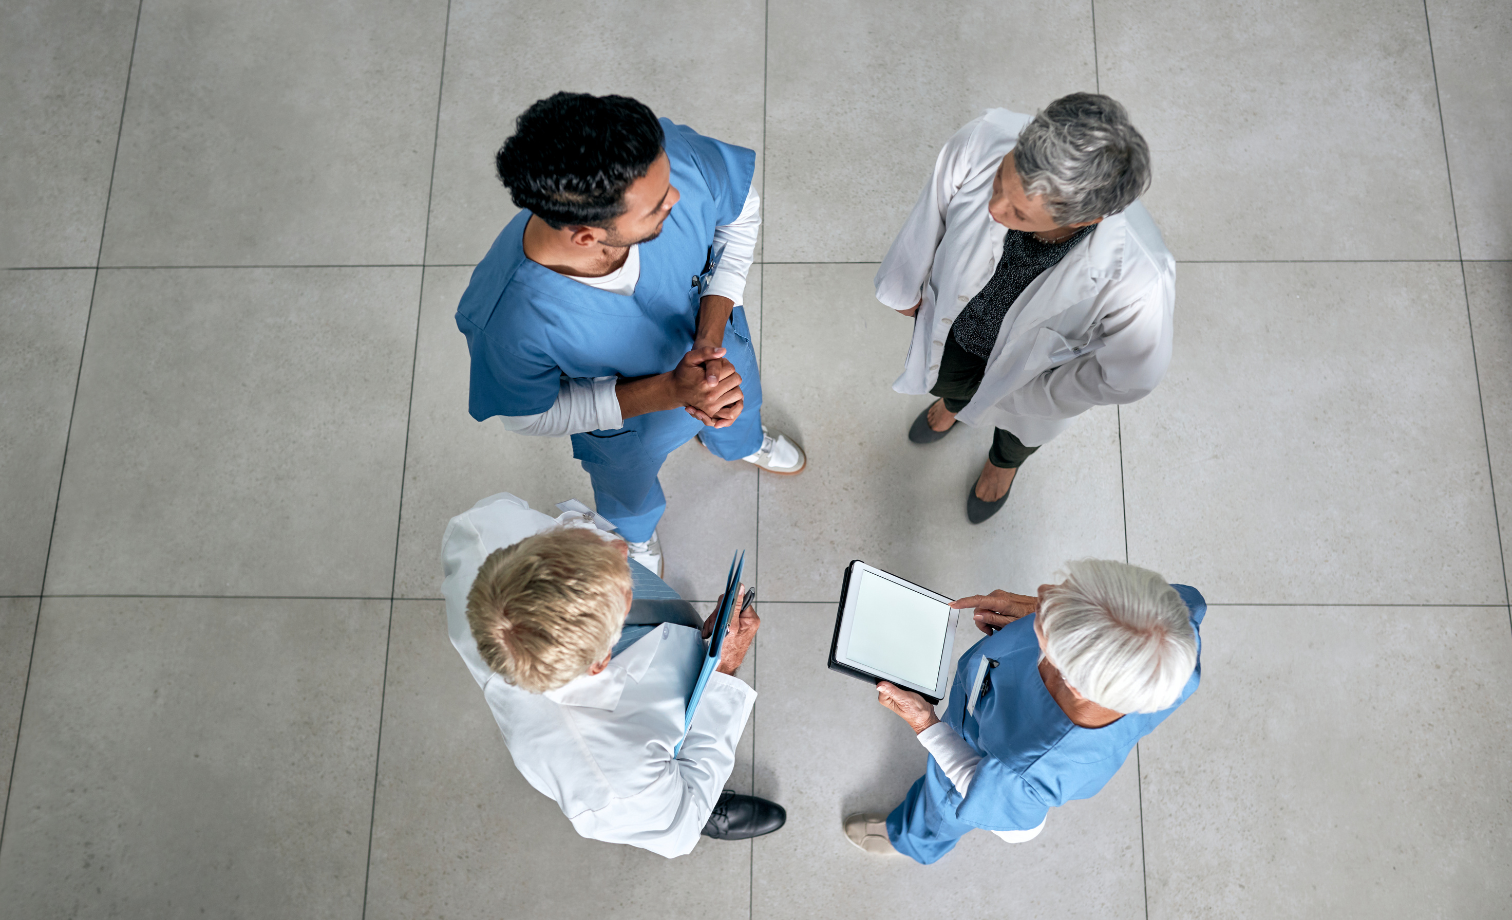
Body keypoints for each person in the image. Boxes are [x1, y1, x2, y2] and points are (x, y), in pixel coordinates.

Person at [457, 92, 806, 576]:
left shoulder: (659, 158)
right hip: (627, 428)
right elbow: (531, 417)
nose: (676, 198)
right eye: (658, 208)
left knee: (738, 407)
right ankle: (637, 536)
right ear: (587, 236)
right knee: (627, 491)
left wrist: (709, 339)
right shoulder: (507, 319)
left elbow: (739, 213)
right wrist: (669, 391)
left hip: (721, 345)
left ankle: (740, 443)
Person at [875, 93, 1173, 523]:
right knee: (948, 380)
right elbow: (932, 208)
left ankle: (1003, 463)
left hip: (1034, 377)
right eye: (1000, 179)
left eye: (1019, 212)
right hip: (961, 329)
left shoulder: (1142, 277)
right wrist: (904, 288)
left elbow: (1132, 377)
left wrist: (1041, 396)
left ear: (1084, 220)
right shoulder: (986, 137)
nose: (994, 207)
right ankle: (956, 406)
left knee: (1021, 426)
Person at [442, 492, 786, 858]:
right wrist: (724, 668)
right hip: (660, 794)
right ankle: (702, 803)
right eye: (623, 588)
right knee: (683, 804)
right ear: (600, 662)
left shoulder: (489, 528)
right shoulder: (610, 778)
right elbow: (679, 834)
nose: (622, 547)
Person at [843, 559, 1203, 863]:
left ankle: (912, 837)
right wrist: (1052, 613)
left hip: (977, 754)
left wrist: (927, 725)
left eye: (1049, 616)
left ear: (1075, 684)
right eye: (1063, 593)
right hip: (1001, 695)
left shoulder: (1029, 770)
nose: (1042, 592)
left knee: (944, 802)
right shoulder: (1173, 626)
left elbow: (1016, 829)